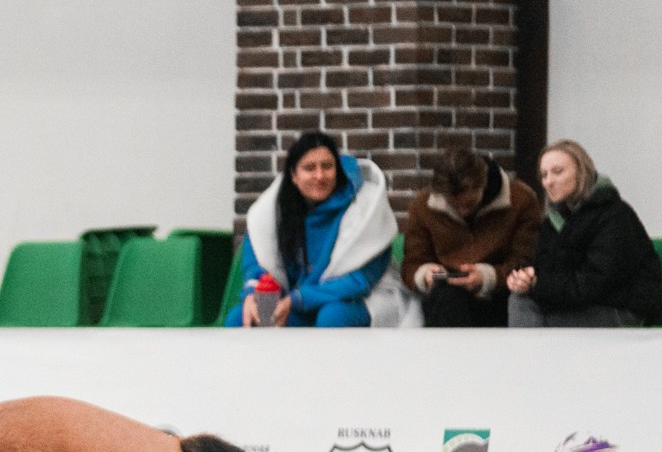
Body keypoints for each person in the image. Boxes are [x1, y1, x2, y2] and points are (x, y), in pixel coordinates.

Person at [227, 131, 416, 328]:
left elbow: (360, 281)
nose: (319, 176)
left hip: (357, 300)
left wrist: (299, 299)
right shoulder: (274, 209)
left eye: (327, 166)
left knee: (333, 316)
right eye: (309, 168)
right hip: (295, 302)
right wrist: (252, 295)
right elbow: (257, 259)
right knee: (240, 318)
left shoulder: (366, 208)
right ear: (293, 176)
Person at [508, 140, 662, 328]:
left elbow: (595, 283)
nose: (549, 181)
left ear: (581, 172)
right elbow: (546, 270)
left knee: (542, 322)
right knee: (520, 299)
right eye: (544, 175)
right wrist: (524, 279)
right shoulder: (554, 220)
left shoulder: (615, 215)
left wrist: (538, 283)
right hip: (577, 304)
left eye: (558, 172)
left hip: (620, 309)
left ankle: (529, 357)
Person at [400, 146, 539, 327]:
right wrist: (425, 273)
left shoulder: (521, 200)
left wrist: (487, 277)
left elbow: (526, 261)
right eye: (454, 206)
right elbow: (412, 262)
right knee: (446, 299)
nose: (463, 212)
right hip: (446, 297)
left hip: (501, 294)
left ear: (484, 183)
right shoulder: (422, 206)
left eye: (470, 203)